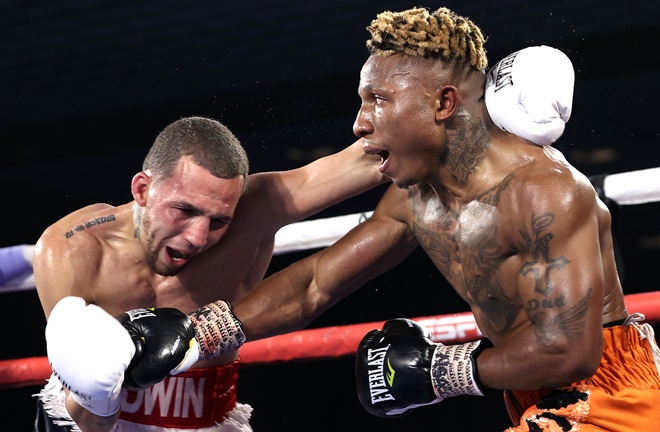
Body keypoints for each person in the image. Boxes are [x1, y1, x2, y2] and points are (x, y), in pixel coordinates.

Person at [122, 6, 660, 431]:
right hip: (529, 392)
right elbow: (315, 283)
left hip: (611, 394)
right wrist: (203, 332)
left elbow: (568, 350)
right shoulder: (417, 196)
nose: (359, 123)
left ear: (444, 103)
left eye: (378, 99)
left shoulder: (542, 193)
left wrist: (441, 372)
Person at [34, 115, 387, 431]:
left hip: (208, 420)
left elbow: (379, 157)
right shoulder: (72, 250)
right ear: (142, 189)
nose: (198, 237)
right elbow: (91, 419)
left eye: (219, 220)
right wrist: (99, 400)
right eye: (184, 210)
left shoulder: (256, 211)